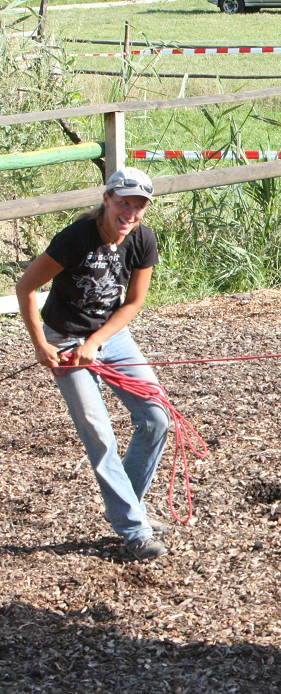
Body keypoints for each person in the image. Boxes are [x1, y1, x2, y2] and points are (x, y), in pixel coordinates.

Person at [15, 167, 171, 562]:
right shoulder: (75, 239)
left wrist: (98, 341)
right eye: (124, 203)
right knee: (99, 433)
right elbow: (26, 286)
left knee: (156, 417)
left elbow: (134, 302)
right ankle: (134, 529)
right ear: (107, 199)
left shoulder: (142, 239)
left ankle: (127, 509)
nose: (130, 213)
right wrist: (40, 346)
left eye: (139, 206)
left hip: (109, 336)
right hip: (64, 339)